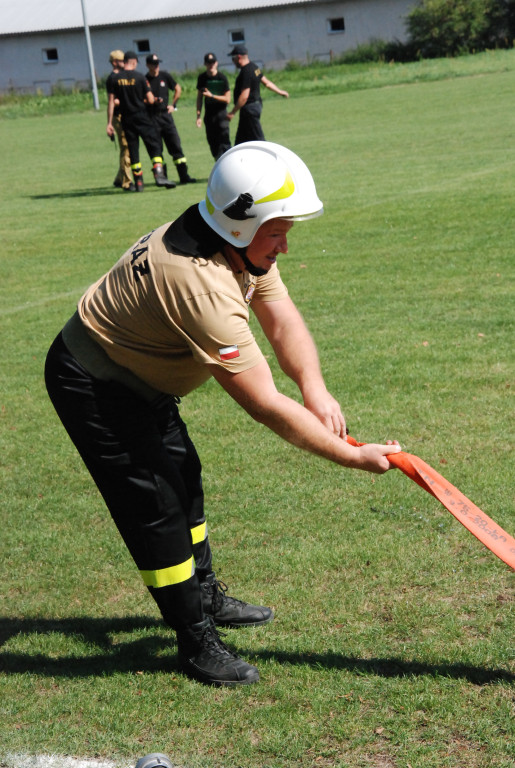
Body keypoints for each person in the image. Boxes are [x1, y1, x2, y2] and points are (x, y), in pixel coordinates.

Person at [45, 141, 401, 688]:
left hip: (141, 381)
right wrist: (352, 457)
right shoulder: (201, 282)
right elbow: (262, 403)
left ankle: (205, 594)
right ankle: (194, 639)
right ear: (241, 223)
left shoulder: (234, 242)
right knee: (155, 507)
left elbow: (279, 315)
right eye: (277, 230)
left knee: (185, 476)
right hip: (95, 384)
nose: (285, 243)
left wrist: (315, 386)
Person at [106, 51, 175, 192]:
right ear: (134, 62)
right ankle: (159, 175)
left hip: (126, 119)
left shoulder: (115, 79)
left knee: (133, 150)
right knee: (154, 145)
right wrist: (154, 100)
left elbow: (112, 102)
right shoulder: (140, 78)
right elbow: (150, 99)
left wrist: (109, 123)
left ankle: (138, 183)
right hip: (142, 117)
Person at [145, 54, 196, 185]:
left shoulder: (164, 76)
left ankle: (184, 176)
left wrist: (173, 105)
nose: (156, 66)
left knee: (175, 146)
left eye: (157, 63)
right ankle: (162, 177)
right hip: (152, 118)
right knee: (157, 149)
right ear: (148, 65)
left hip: (166, 116)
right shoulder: (144, 80)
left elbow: (178, 88)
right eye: (153, 63)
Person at [227, 44, 289, 144]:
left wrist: (232, 112)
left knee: (260, 141)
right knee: (241, 142)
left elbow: (244, 96)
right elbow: (267, 83)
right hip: (254, 107)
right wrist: (280, 91)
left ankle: (268, 158)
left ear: (238, 57)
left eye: (233, 58)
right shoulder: (254, 67)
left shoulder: (246, 71)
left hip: (249, 110)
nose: (233, 61)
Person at [105, 50, 133, 192]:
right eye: (122, 60)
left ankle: (119, 178)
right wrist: (109, 123)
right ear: (115, 62)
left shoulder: (123, 76)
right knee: (126, 147)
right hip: (119, 117)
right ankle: (127, 182)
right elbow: (111, 101)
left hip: (127, 115)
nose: (125, 63)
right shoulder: (112, 79)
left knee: (127, 148)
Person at [196, 52, 231, 160]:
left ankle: (228, 166)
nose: (211, 65)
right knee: (213, 144)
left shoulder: (222, 77)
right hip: (209, 116)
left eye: (212, 62)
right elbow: (199, 98)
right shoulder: (202, 78)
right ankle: (219, 167)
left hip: (221, 115)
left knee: (225, 144)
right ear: (205, 64)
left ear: (216, 63)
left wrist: (212, 96)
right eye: (208, 63)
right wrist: (198, 116)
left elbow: (228, 99)